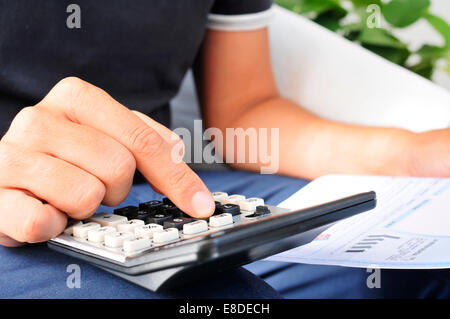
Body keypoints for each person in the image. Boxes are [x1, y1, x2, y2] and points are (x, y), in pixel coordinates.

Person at [0, 0, 449, 298]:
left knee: (420, 264)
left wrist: (412, 157)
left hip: (158, 191)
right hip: (18, 212)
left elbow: (244, 108)